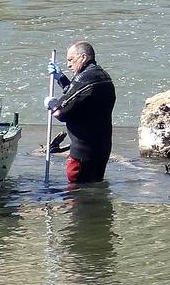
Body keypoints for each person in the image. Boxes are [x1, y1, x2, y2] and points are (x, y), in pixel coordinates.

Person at [45, 41, 116, 184]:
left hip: (82, 154)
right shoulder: (103, 76)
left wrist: (52, 105)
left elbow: (61, 112)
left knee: (77, 197)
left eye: (71, 60)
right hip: (102, 150)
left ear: (83, 57)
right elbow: (79, 98)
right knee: (95, 188)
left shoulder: (83, 80)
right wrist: (61, 79)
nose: (68, 65)